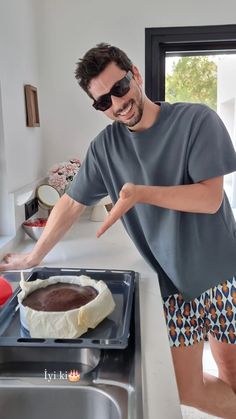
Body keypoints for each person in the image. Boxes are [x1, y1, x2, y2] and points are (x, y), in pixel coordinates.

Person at [1, 42, 236, 417]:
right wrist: (33, 256)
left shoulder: (196, 121)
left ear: (135, 75)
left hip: (222, 277)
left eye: (120, 88)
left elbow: (209, 199)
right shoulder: (105, 148)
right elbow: (70, 204)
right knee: (188, 389)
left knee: (232, 376)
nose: (116, 104)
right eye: (103, 102)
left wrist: (141, 193)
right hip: (172, 285)